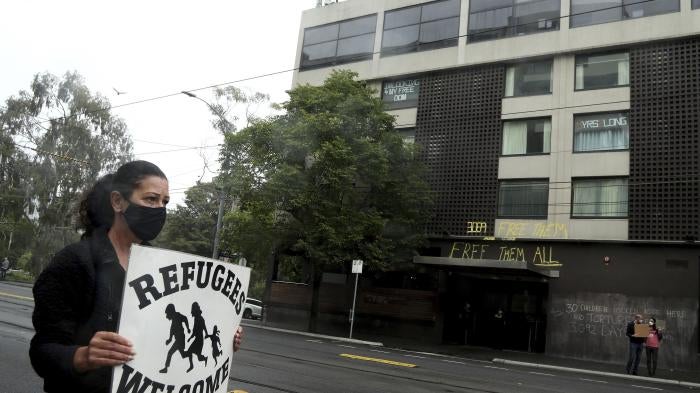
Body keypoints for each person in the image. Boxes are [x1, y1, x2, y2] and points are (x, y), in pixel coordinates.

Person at [29, 160, 243, 393]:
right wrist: (84, 356)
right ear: (118, 201)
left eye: (165, 202)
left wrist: (225, 332)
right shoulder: (74, 263)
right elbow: (42, 352)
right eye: (151, 199)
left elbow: (165, 331)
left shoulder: (161, 266)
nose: (160, 209)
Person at [160, 304, 191, 373]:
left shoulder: (177, 316)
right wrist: (170, 339)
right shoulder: (174, 319)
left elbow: (185, 318)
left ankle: (166, 368)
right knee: (183, 354)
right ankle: (190, 353)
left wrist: (188, 328)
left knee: (170, 352)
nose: (167, 315)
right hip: (178, 339)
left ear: (171, 311)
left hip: (180, 338)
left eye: (168, 313)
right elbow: (172, 330)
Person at [186, 302, 209, 372]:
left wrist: (207, 334)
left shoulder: (200, 318)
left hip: (199, 340)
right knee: (191, 352)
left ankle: (204, 359)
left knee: (195, 355)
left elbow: (204, 327)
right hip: (197, 339)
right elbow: (194, 331)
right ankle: (192, 365)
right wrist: (190, 338)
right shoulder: (196, 318)